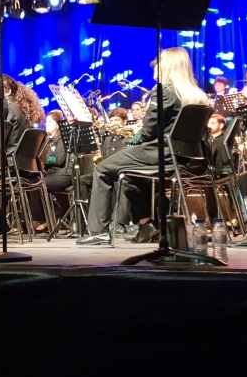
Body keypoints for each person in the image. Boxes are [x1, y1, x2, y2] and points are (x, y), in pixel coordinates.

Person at [78, 47, 209, 245]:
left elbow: (148, 133)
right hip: (186, 157)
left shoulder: (163, 92)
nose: (154, 67)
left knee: (102, 169)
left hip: (162, 153)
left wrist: (131, 140)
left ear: (167, 66)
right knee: (131, 177)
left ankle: (98, 232)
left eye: (157, 64)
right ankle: (147, 224)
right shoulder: (196, 95)